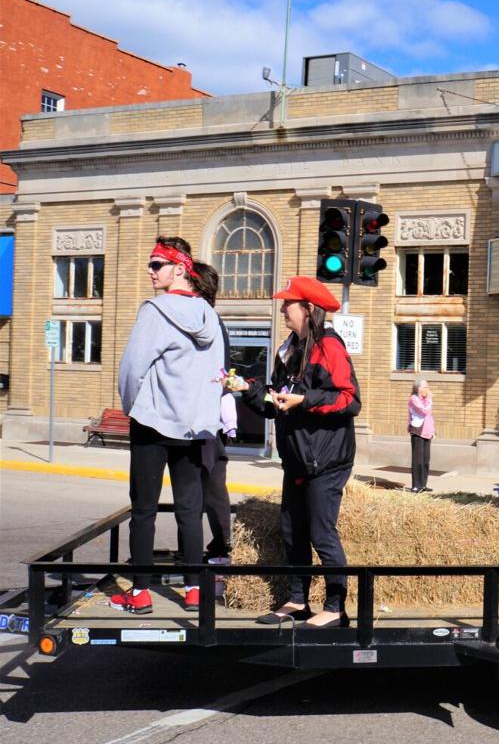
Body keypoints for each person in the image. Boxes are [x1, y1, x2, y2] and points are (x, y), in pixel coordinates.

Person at [228, 276, 360, 628]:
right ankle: (298, 601)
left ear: (309, 309)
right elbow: (275, 402)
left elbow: (349, 400)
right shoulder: (288, 349)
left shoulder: (329, 347)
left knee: (321, 533)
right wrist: (246, 388)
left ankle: (335, 608)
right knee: (292, 532)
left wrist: (306, 400)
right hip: (298, 459)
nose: (283, 308)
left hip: (327, 460)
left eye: (289, 303)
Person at [111, 238, 225, 615]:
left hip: (154, 422)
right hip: (193, 428)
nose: (150, 270)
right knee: (189, 510)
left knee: (143, 510)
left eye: (157, 264)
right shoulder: (210, 315)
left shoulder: (155, 311)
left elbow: (132, 369)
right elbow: (217, 374)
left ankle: (140, 592)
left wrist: (133, 408)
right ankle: (193, 589)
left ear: (180, 268)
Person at [192, 262, 235, 561]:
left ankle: (217, 549)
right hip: (210, 418)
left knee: (205, 487)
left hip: (204, 418)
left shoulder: (204, 320)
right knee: (209, 485)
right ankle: (219, 547)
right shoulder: (211, 319)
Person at [407, 379, 435, 493]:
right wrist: (430, 399)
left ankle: (423, 484)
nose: (427, 389)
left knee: (425, 460)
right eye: (425, 387)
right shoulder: (413, 398)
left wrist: (433, 430)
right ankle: (416, 485)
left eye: (427, 387)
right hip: (418, 431)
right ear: (418, 388)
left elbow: (429, 416)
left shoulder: (425, 399)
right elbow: (424, 411)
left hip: (427, 431)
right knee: (417, 459)